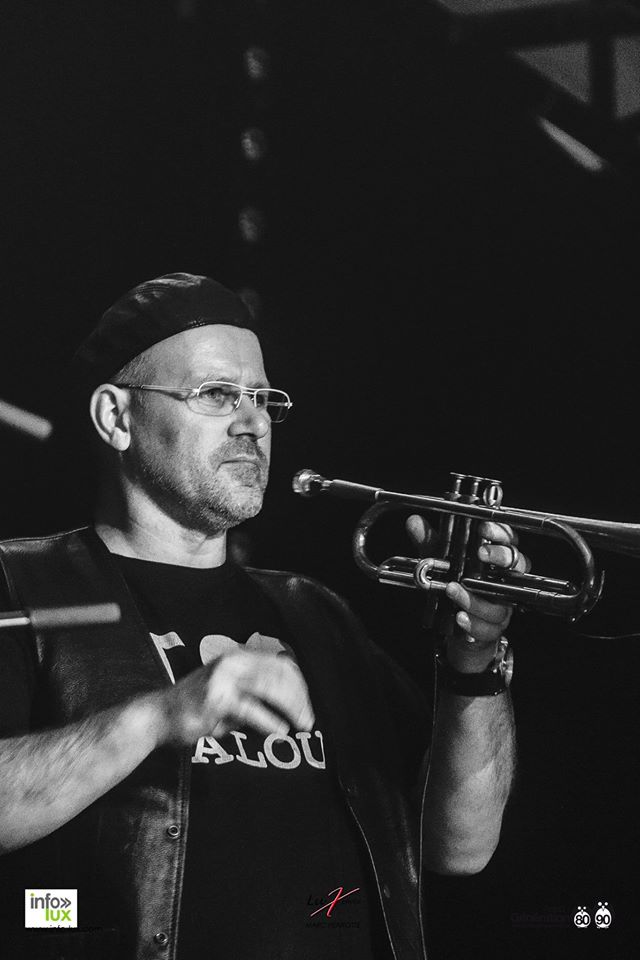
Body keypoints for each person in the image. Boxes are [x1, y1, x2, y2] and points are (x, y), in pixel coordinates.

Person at [0, 273, 523, 960]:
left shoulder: (316, 613)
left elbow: (462, 847)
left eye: (263, 400)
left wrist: (473, 663)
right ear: (116, 418)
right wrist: (157, 717)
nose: (252, 424)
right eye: (216, 394)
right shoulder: (21, 582)